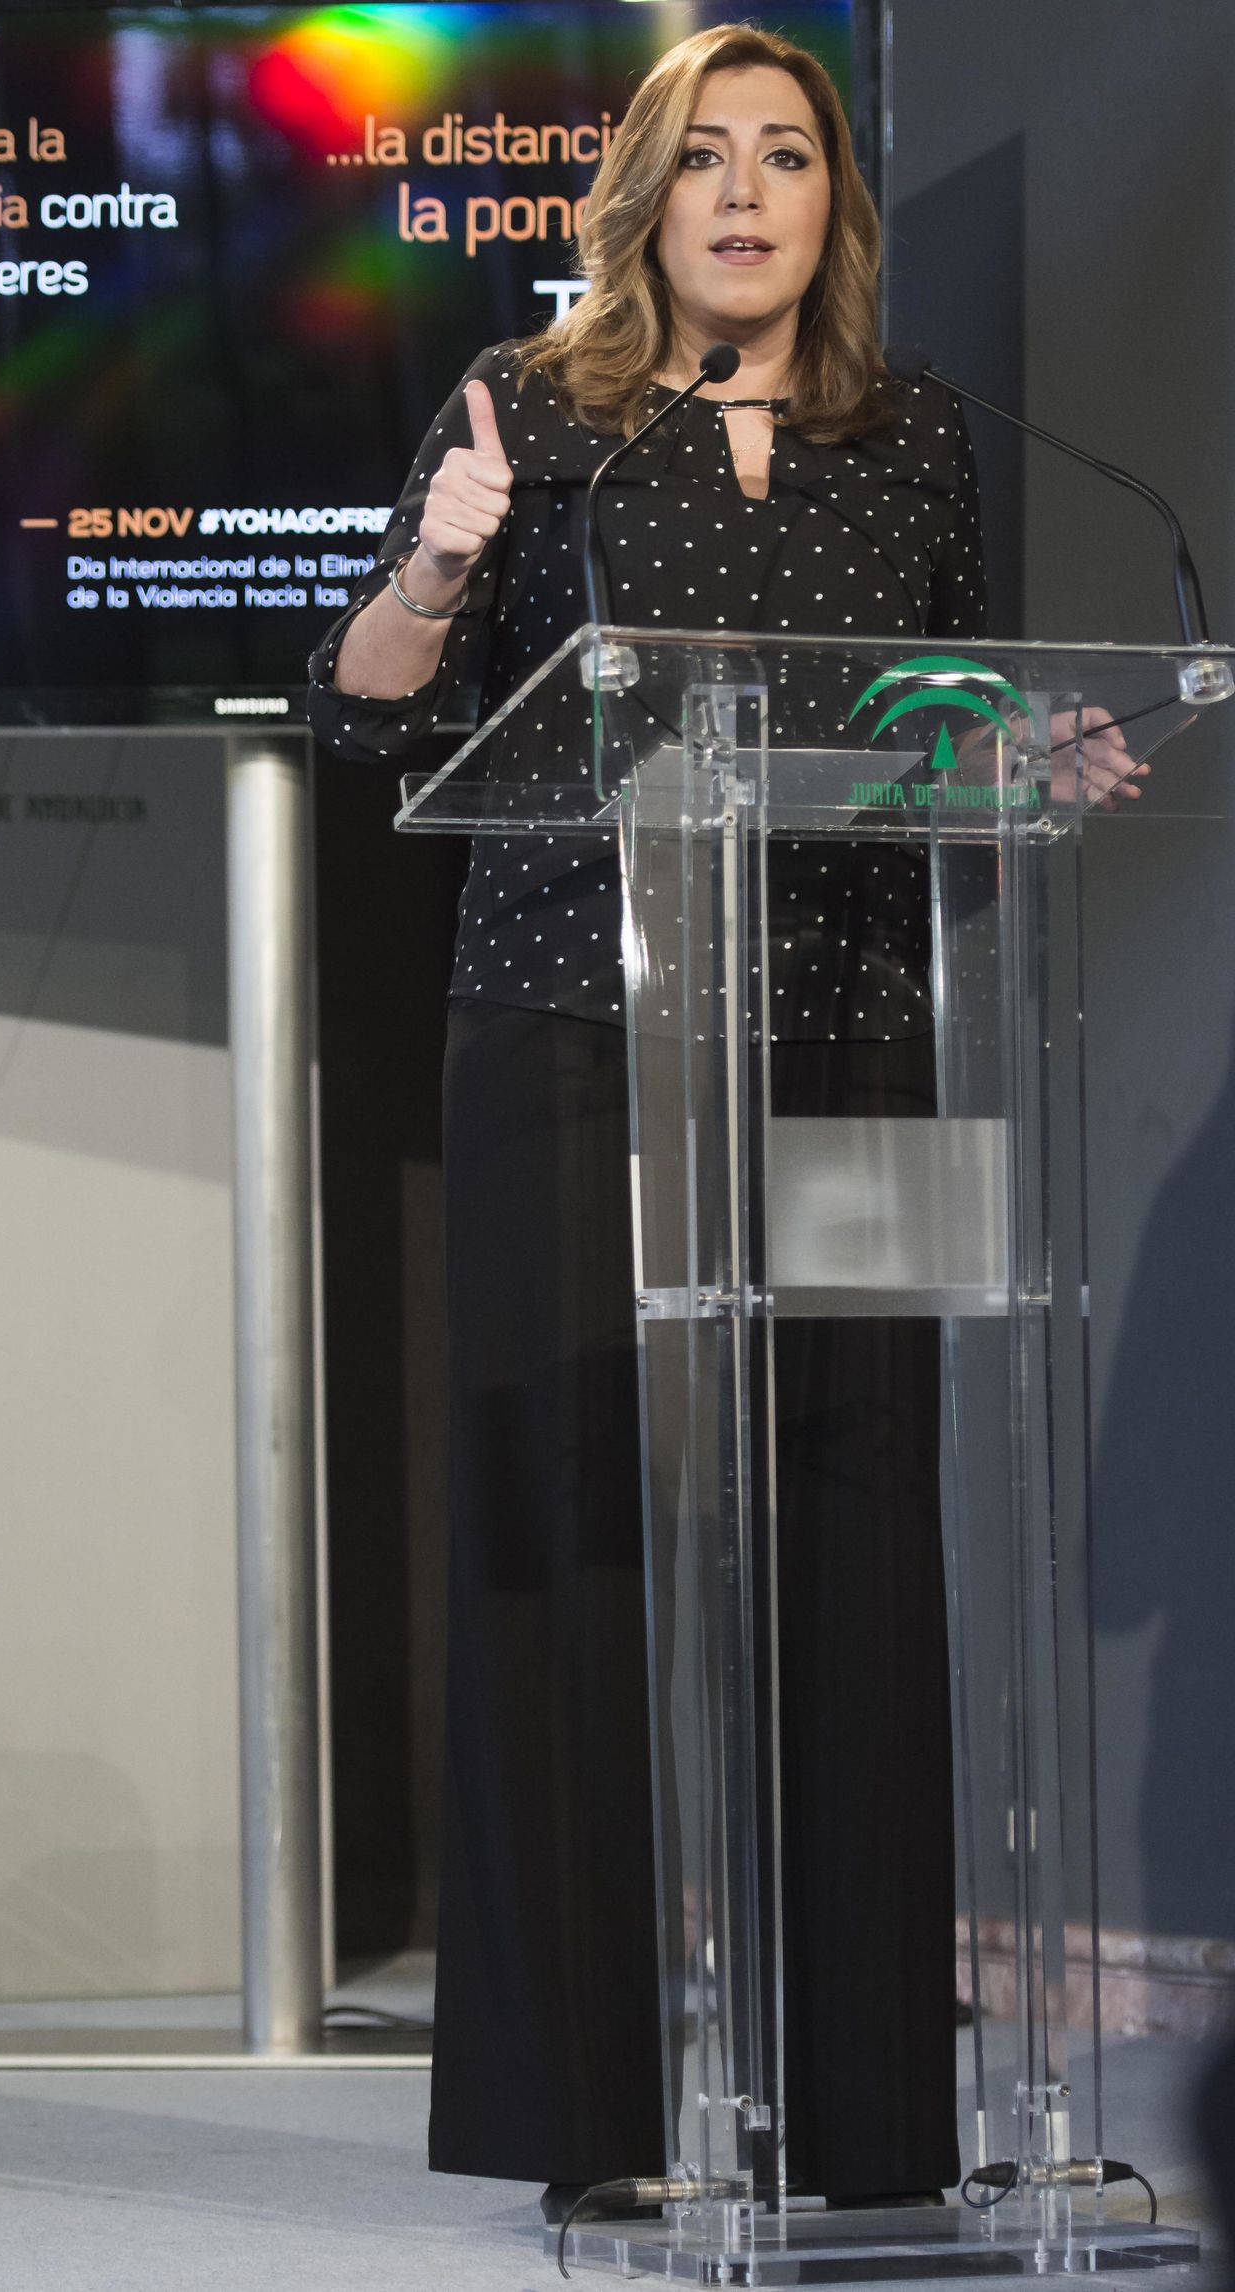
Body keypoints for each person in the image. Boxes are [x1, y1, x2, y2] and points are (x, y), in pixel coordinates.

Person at [306, 19, 1136, 2220]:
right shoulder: (528, 412)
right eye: (706, 159)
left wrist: (1039, 759)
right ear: (645, 202)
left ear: (830, 206)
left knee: (859, 1532)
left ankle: (867, 2112)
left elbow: (957, 714)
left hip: (855, 1026)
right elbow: (369, 712)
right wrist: (429, 568)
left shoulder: (918, 436)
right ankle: (583, 2125)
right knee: (572, 1536)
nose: (746, 192)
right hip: (576, 1028)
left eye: (787, 155)